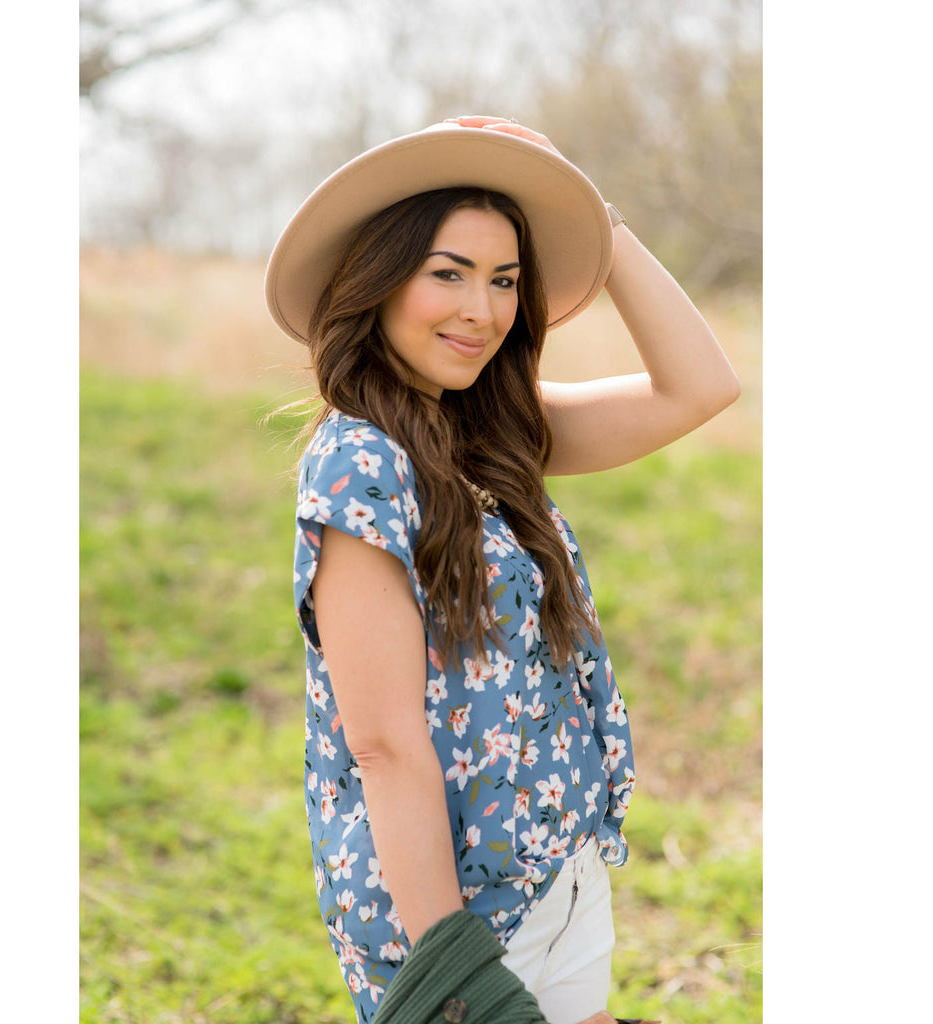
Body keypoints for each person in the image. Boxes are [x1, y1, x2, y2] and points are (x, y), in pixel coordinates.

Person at [265, 115, 739, 1024]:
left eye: (505, 280)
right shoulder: (359, 463)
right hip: (459, 912)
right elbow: (385, 745)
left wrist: (595, 213)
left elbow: (699, 386)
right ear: (378, 280)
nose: (480, 310)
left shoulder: (492, 431)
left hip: (558, 867)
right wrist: (459, 975)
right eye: (447, 272)